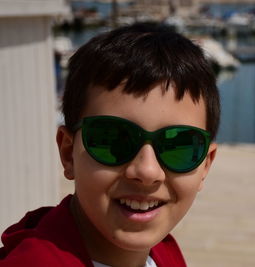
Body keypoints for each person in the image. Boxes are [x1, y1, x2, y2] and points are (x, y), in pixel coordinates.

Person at [0, 23, 220, 267]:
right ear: (68, 153)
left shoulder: (163, 252)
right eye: (114, 140)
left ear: (205, 164)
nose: (147, 171)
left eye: (180, 145)